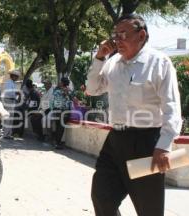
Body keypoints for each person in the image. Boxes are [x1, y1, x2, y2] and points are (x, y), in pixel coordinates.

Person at [86, 14, 182, 216]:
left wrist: (164, 145)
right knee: (102, 197)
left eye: (123, 34)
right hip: (115, 141)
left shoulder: (159, 63)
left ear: (141, 35)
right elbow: (92, 89)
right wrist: (99, 58)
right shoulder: (112, 64)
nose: (116, 40)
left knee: (149, 209)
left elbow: (171, 107)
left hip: (146, 142)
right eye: (115, 35)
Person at [51, 77, 75, 149]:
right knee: (60, 127)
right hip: (64, 111)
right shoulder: (69, 90)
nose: (60, 83)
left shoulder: (57, 90)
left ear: (63, 83)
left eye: (61, 82)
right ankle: (57, 143)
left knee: (58, 126)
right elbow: (72, 99)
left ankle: (56, 142)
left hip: (59, 110)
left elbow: (53, 99)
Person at [2, 69, 21, 139]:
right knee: (8, 118)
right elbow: (9, 92)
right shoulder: (9, 83)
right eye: (16, 77)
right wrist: (16, 93)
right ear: (13, 76)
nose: (17, 78)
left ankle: (8, 133)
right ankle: (5, 134)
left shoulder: (12, 83)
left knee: (10, 118)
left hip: (11, 101)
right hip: (8, 101)